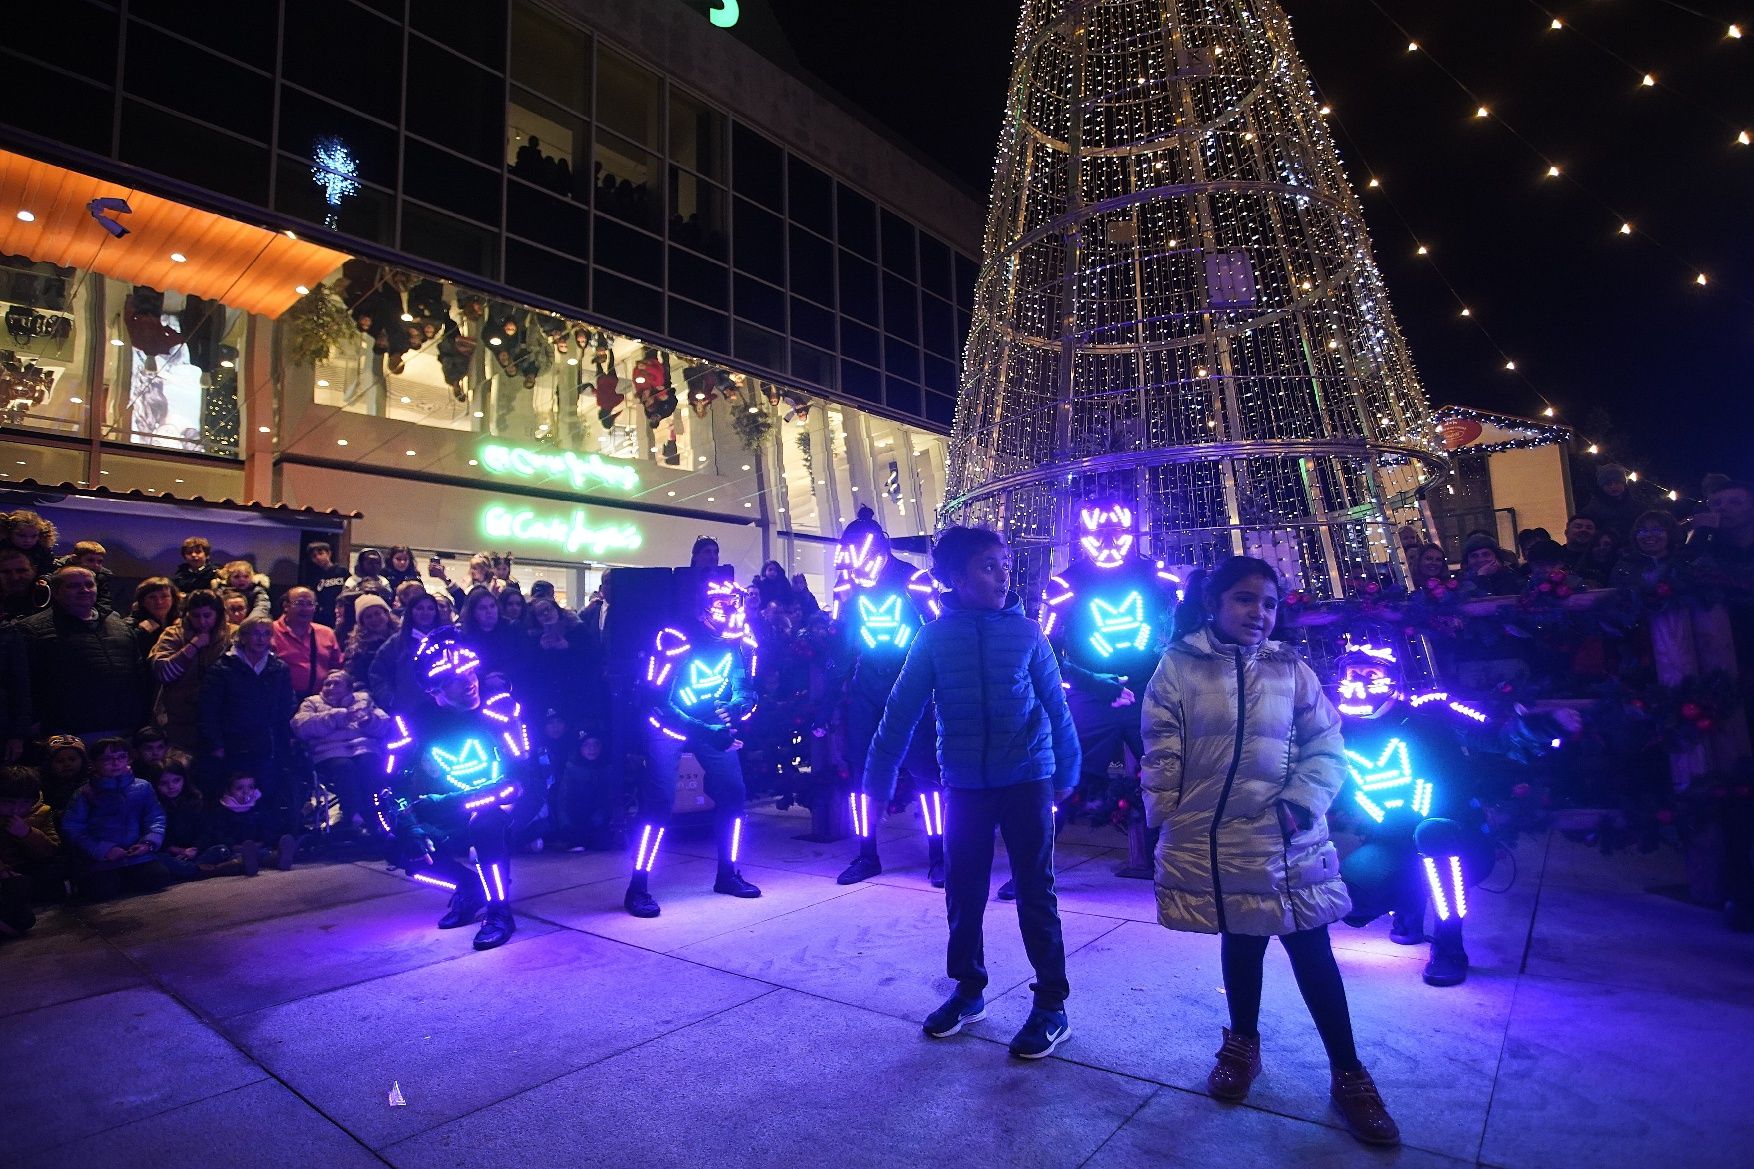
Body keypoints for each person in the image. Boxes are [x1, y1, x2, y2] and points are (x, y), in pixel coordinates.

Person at [1140, 557, 1398, 1145]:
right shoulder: (1177, 666)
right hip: (1216, 836)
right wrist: (1168, 815)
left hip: (1285, 835)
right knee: (1242, 941)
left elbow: (1327, 741)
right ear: (1215, 604)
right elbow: (1162, 745)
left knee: (1311, 949)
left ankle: (1349, 1072)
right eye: (1244, 600)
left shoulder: (1291, 668)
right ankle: (1242, 1043)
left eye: (1269, 603)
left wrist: (1303, 801)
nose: (1259, 613)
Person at [862, 526, 1078, 1059]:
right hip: (965, 784)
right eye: (988, 566)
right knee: (963, 891)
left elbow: (1055, 706)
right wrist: (879, 775)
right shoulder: (934, 639)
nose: (1004, 574)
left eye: (1005, 564)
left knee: (1035, 890)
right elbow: (900, 713)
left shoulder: (1028, 634)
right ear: (956, 579)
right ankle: (968, 990)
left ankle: (1051, 1005)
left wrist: (1068, 768)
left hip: (1028, 776)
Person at [1326, 640, 1572, 986]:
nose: (1362, 680)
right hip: (1391, 841)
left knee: (1434, 833)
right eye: (1354, 672)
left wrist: (1546, 727)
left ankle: (1449, 944)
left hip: (1458, 841)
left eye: (1372, 673)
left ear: (1393, 678)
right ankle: (1407, 910)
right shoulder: (1337, 728)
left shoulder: (1433, 712)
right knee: (1350, 898)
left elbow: (1497, 737)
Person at [1029, 502, 1178, 864]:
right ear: (1083, 536)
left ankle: (1179, 860)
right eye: (1100, 533)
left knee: (1170, 775)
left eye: (1117, 532)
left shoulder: (1157, 575)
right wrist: (1088, 680)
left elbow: (1184, 626)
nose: (1109, 540)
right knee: (1066, 777)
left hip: (1148, 691)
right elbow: (1043, 646)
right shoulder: (1065, 584)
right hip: (1090, 696)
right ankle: (1033, 867)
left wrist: (1166, 665)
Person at [377, 631, 528, 950]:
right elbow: (391, 785)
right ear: (435, 690)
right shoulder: (412, 723)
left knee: (485, 824)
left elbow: (519, 781)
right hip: (448, 809)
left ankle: (499, 911)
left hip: (498, 804)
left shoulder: (498, 711)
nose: (470, 682)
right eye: (457, 679)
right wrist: (407, 824)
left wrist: (447, 802)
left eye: (471, 672)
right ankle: (470, 887)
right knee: (400, 843)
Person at [624, 577, 762, 918]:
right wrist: (708, 729)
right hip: (667, 725)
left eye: (734, 604)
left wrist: (739, 707)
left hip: (710, 724)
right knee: (659, 801)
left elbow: (748, 689)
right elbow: (657, 703)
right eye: (721, 605)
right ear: (702, 610)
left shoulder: (737, 641)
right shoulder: (674, 640)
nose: (729, 612)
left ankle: (728, 873)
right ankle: (637, 886)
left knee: (733, 791)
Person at [829, 508, 946, 886]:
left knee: (927, 774)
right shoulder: (851, 589)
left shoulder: (914, 583)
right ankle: (867, 854)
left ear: (878, 551)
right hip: (868, 691)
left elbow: (938, 633)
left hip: (911, 690)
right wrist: (830, 694)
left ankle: (939, 854)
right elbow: (846, 645)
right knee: (862, 774)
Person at [9, 566, 149, 743]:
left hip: (124, 728)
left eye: (89, 584)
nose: (84, 590)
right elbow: (24, 683)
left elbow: (138, 674)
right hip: (70, 733)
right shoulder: (32, 629)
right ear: (56, 592)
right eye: (74, 586)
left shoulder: (118, 625)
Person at [196, 615, 296, 821]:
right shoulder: (223, 668)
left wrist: (282, 740)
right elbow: (209, 709)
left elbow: (286, 706)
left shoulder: (278, 668)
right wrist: (216, 743)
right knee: (232, 792)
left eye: (267, 633)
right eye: (256, 633)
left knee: (264, 791)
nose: (261, 639)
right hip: (232, 741)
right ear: (243, 637)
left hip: (265, 743)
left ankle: (261, 842)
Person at [59, 737, 172, 901]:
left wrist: (148, 842)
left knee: (158, 877)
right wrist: (103, 850)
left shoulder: (142, 787)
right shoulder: (85, 793)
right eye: (106, 759)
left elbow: (155, 816)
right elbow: (72, 828)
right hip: (100, 859)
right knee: (101, 891)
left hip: (135, 854)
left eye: (121, 757)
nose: (115, 763)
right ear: (94, 763)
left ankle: (125, 879)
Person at [293, 670, 392, 842]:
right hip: (329, 754)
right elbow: (300, 726)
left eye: (336, 683)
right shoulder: (312, 703)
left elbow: (384, 725)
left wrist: (368, 721)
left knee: (368, 764)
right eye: (327, 683)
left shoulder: (363, 701)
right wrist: (334, 718)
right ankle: (353, 817)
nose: (330, 687)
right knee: (344, 767)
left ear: (349, 687)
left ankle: (375, 818)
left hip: (363, 750)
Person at [150, 589, 232, 754]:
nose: (202, 622)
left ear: (218, 614)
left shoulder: (234, 635)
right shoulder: (173, 635)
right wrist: (193, 646)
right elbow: (164, 673)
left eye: (207, 615)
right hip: (180, 723)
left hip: (223, 723)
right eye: (195, 616)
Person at [145, 755, 250, 880]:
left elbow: (205, 831)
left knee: (222, 849)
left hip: (195, 853)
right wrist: (179, 851)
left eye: (176, 780)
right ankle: (212, 870)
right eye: (164, 783)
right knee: (158, 859)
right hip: (172, 854)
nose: (171, 786)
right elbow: (159, 837)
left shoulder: (195, 801)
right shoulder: (154, 806)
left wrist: (194, 849)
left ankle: (192, 870)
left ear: (184, 780)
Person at [0, 764, 61, 937]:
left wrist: (27, 833)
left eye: (24, 803)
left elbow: (50, 849)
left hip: (25, 868)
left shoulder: (41, 812)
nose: (16, 810)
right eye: (8, 803)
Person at [370, 586, 448, 715]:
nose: (425, 612)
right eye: (419, 608)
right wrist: (391, 700)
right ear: (411, 612)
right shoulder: (396, 643)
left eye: (430, 608)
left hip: (445, 708)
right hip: (409, 710)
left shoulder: (446, 639)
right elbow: (378, 674)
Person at [204, 771, 297, 872]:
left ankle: (279, 858)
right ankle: (244, 863)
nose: (246, 792)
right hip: (234, 850)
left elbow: (267, 829)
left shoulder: (259, 808)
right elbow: (219, 835)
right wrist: (237, 847)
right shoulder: (222, 811)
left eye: (250, 787)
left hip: (258, 847)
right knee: (231, 857)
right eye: (239, 788)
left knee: (266, 853)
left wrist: (261, 842)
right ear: (228, 791)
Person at [271, 586, 343, 699]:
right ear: (286, 606)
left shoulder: (326, 633)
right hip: (279, 701)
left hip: (319, 701)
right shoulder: (270, 631)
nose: (305, 609)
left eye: (310, 604)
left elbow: (337, 668)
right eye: (299, 603)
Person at [1611, 511, 1686, 591]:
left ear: (1670, 533)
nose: (1648, 535)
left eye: (1656, 529)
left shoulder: (1683, 564)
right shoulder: (1625, 566)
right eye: (1642, 530)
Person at [344, 594, 398, 689]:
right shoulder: (357, 647)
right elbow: (355, 676)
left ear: (386, 613)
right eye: (368, 617)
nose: (374, 619)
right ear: (362, 622)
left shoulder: (402, 636)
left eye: (377, 613)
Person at [1582, 463, 1641, 540]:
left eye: (1617, 482)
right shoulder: (1592, 510)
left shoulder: (1637, 507)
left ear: (1623, 484)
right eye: (1608, 484)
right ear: (1602, 487)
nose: (1613, 487)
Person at [126, 577, 180, 657]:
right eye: (152, 597)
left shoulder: (181, 622)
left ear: (173, 599)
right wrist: (141, 632)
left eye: (164, 596)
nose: (159, 602)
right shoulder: (131, 625)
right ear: (142, 602)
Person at [300, 541, 349, 628]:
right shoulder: (314, 577)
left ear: (329, 553)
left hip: (341, 614)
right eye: (314, 556)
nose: (318, 557)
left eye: (320, 553)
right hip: (323, 617)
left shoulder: (342, 572)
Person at [1, 509, 57, 580]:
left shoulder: (43, 551)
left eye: (34, 536)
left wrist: (44, 579)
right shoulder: (2, 547)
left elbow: (49, 570)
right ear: (9, 533)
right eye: (21, 535)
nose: (28, 540)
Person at [39, 733, 89, 811]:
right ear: (49, 764)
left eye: (72, 759)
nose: (67, 764)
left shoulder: (92, 782)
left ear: (83, 760)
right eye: (60, 761)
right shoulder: (42, 785)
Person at [0, 546, 46, 622]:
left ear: (34, 571)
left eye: (22, 571)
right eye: (6, 572)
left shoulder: (50, 595)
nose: (15, 577)